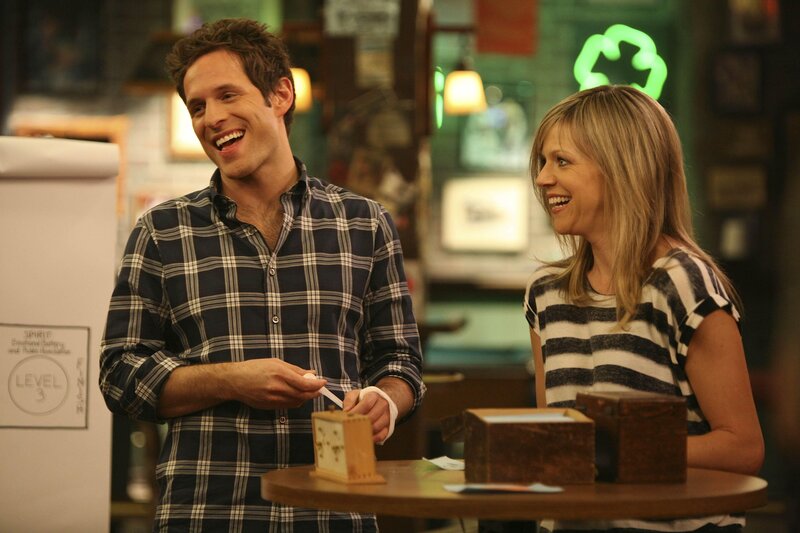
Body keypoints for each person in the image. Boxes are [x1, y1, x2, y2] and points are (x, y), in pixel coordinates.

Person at [99, 18, 424, 532]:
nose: (212, 118)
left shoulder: (364, 223)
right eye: (197, 107)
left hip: (331, 515)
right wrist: (232, 379)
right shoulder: (162, 231)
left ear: (281, 95)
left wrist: (385, 400)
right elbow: (119, 375)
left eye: (228, 95)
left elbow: (400, 361)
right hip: (208, 514)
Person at [524, 85, 764, 532]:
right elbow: (558, 442)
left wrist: (618, 454)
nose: (542, 178)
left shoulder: (680, 282)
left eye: (561, 161)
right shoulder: (545, 294)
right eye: (542, 162)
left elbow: (743, 447)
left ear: (620, 168)